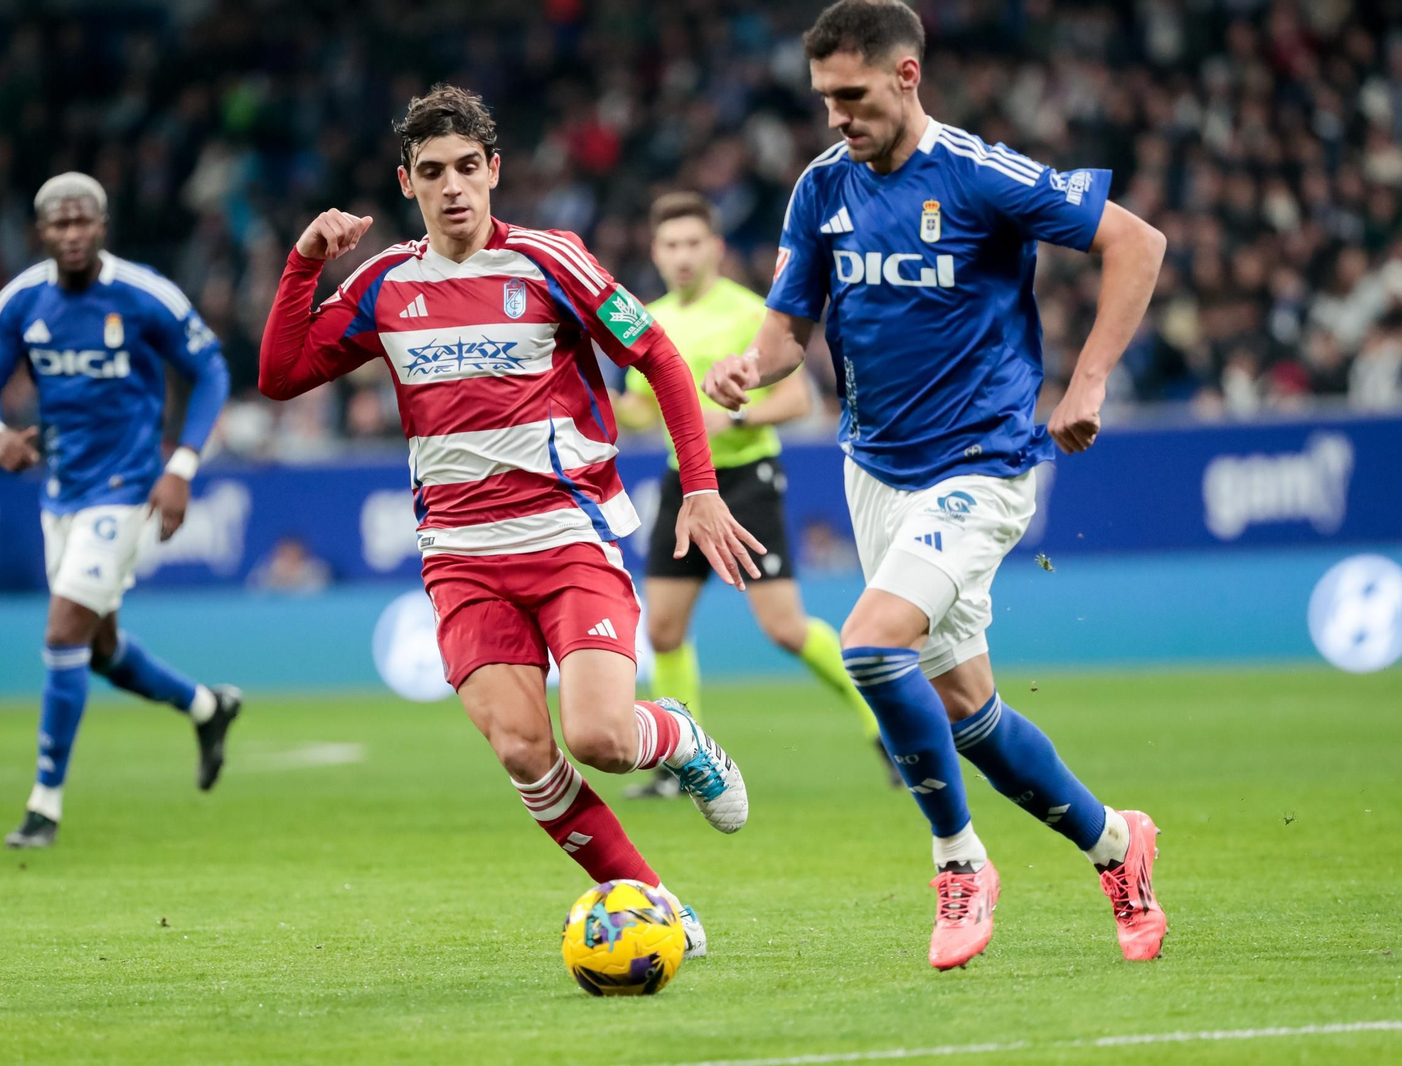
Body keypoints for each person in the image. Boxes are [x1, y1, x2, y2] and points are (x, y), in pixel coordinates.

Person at [704, 0, 1170, 970]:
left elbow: (1138, 242)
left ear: (906, 75)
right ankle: (1116, 846)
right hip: (875, 469)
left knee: (872, 645)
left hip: (983, 464)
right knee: (968, 711)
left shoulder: (977, 172)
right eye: (823, 98)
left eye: (851, 95)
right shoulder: (820, 188)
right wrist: (752, 365)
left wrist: (1087, 381)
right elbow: (788, 328)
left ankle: (959, 862)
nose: (836, 115)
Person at [259, 85, 764, 958]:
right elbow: (280, 375)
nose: (452, 186)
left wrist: (701, 485)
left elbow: (658, 356)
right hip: (460, 557)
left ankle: (676, 733)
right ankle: (654, 903)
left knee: (601, 737)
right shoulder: (384, 283)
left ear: (493, 170)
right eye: (431, 172)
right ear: (407, 183)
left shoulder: (551, 260)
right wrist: (305, 262)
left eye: (467, 167)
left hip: (567, 536)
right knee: (525, 752)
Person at [0, 172, 240, 849]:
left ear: (102, 225)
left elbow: (211, 370)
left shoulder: (144, 295)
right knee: (100, 649)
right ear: (41, 232)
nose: (72, 234)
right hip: (61, 492)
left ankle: (43, 807)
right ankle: (207, 707)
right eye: (59, 224)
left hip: (126, 488)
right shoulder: (21, 300)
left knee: (64, 632)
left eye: (82, 221)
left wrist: (181, 467)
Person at [614, 191, 890, 801]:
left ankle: (886, 727)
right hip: (684, 483)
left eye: (693, 243)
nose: (682, 256)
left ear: (716, 249)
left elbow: (799, 399)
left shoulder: (746, 314)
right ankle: (683, 765)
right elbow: (640, 409)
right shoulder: (647, 320)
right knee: (663, 631)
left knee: (785, 628)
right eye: (671, 245)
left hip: (746, 479)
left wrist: (736, 419)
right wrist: (604, 405)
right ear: (655, 252)